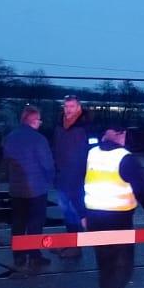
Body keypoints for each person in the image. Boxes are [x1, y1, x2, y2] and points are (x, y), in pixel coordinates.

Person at [82, 124, 144, 288]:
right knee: (124, 268)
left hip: (94, 218)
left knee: (105, 264)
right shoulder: (125, 158)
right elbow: (143, 191)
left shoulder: (92, 153)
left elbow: (76, 182)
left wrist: (82, 214)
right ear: (121, 135)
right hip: (118, 220)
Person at [2, 104, 54, 271]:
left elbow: (7, 160)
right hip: (36, 190)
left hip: (16, 190)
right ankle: (34, 255)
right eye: (39, 120)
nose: (40, 123)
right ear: (32, 120)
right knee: (35, 224)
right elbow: (47, 164)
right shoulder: (39, 139)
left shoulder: (10, 137)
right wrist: (49, 180)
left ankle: (18, 257)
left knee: (18, 223)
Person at [51, 95, 93, 260]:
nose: (68, 110)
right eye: (66, 106)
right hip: (63, 175)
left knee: (76, 210)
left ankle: (76, 246)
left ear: (78, 107)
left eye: (71, 106)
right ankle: (70, 241)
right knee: (66, 210)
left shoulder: (84, 127)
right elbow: (56, 149)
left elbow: (89, 153)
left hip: (77, 177)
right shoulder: (60, 126)